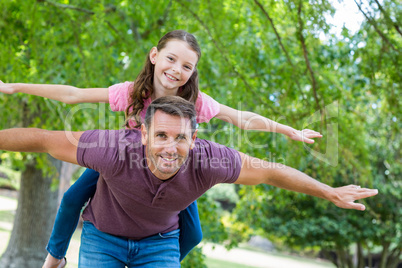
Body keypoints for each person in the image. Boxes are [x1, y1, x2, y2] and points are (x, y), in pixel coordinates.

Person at [0, 30, 323, 268]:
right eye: (171, 59)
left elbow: (242, 118)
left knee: (193, 234)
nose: (176, 70)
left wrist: (287, 130)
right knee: (72, 198)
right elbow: (72, 94)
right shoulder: (130, 92)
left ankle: (154, 259)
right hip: (122, 170)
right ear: (155, 56)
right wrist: (16, 87)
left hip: (171, 175)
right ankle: (54, 258)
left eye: (186, 66)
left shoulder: (197, 102)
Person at [0, 96, 378, 267]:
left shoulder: (210, 159)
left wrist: (328, 191)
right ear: (143, 134)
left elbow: (270, 171)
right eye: (161, 136)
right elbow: (42, 138)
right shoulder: (112, 148)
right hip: (104, 236)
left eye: (180, 137)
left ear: (194, 140)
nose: (170, 147)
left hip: (159, 245)